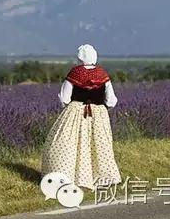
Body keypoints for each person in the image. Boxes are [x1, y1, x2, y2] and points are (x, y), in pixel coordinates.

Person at [41, 44, 121, 190]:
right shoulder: (102, 74)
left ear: (79, 58)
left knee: (68, 144)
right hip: (98, 113)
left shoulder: (75, 73)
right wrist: (102, 108)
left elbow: (65, 98)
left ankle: (69, 177)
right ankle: (100, 178)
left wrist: (70, 106)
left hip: (76, 111)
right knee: (98, 145)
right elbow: (111, 100)